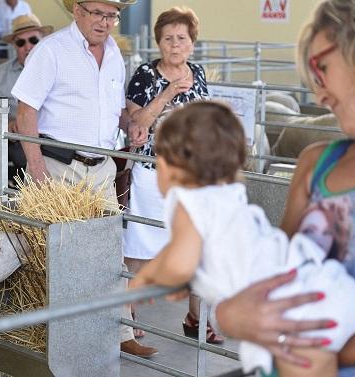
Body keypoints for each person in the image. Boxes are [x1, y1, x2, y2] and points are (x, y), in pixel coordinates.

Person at [128, 101, 355, 376]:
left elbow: (180, 263)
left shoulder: (185, 201)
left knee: (308, 363)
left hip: (283, 307)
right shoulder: (228, 194)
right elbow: (186, 251)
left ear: (167, 167)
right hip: (318, 278)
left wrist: (149, 277)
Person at [208, 0, 355, 374]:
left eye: (322, 68)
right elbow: (272, 272)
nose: (319, 95)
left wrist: (312, 348)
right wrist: (228, 316)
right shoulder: (316, 164)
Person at [12, 0, 158, 358]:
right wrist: (36, 164)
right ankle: (55, 337)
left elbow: (114, 109)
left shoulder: (113, 55)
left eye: (112, 15)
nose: (105, 22)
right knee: (59, 253)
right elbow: (25, 110)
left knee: (109, 250)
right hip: (59, 167)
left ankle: (120, 333)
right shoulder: (51, 51)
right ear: (77, 11)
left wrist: (130, 125)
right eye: (98, 13)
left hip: (101, 168)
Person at [122, 6, 218, 343]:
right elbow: (137, 125)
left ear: (192, 43)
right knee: (139, 246)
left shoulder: (199, 72)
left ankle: (196, 317)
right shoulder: (145, 76)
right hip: (153, 174)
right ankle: (126, 316)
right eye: (167, 39)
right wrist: (168, 93)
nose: (174, 45)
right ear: (158, 43)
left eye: (181, 38)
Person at [0, 14, 53, 185]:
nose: (28, 47)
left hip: (50, 152)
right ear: (14, 46)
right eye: (20, 42)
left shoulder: (58, 72)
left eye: (33, 40)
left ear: (43, 40)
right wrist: (5, 123)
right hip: (9, 152)